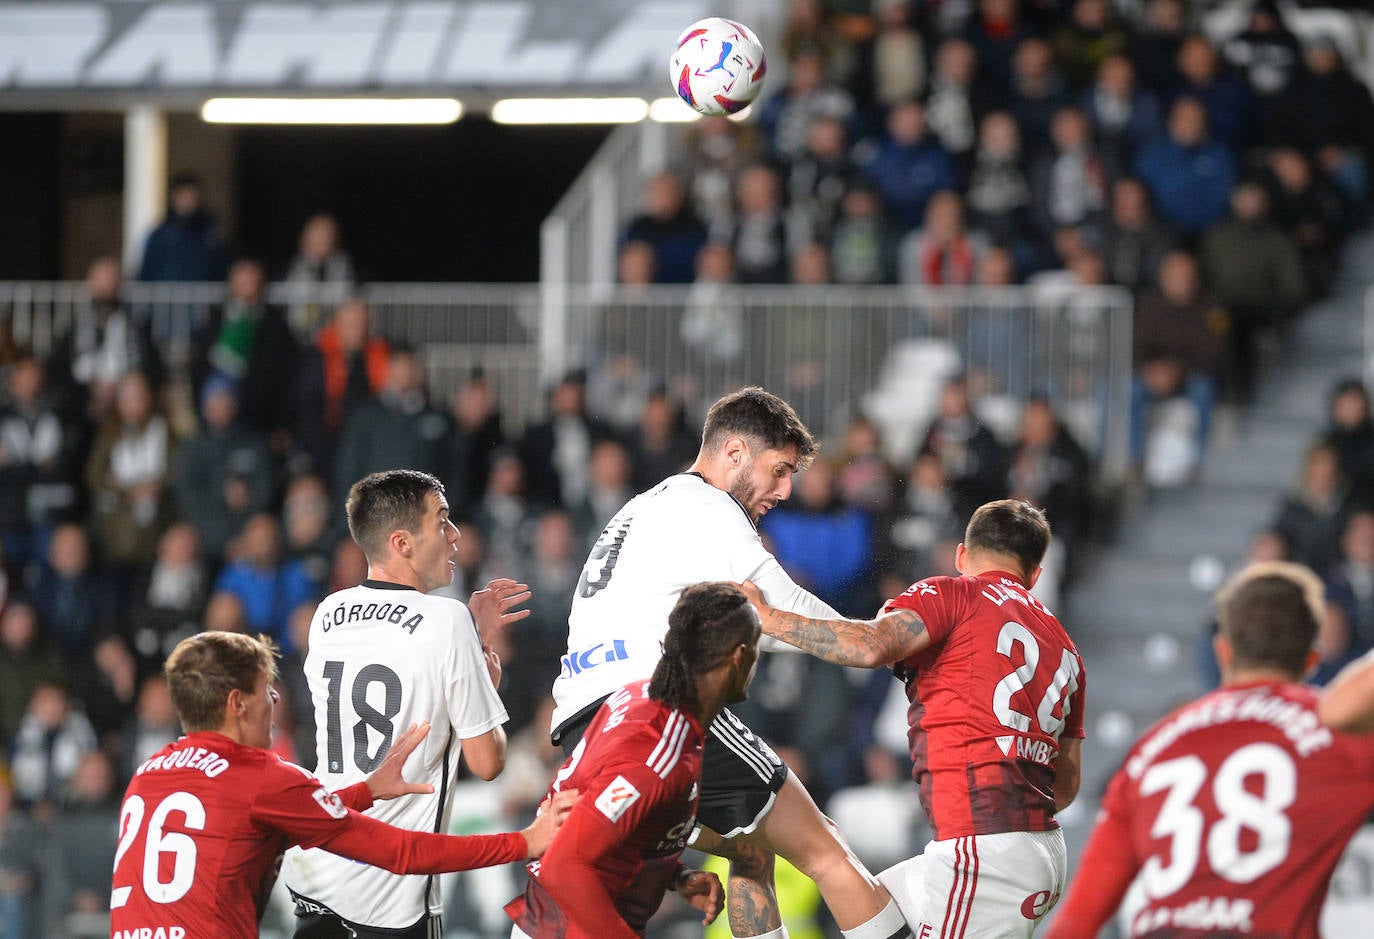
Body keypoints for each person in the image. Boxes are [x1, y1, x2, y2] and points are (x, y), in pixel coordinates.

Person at [551, 387, 910, 939]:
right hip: (652, 712)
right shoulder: (708, 508)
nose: (786, 490)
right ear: (735, 453)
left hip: (584, 727)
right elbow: (777, 614)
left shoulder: (646, 506)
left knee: (748, 851)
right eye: (780, 470)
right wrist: (881, 642)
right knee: (827, 849)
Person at [741, 499, 1084, 938]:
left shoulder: (954, 594)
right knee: (868, 906)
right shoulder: (1067, 649)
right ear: (1035, 575)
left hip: (981, 848)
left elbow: (867, 647)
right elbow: (1066, 786)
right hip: (1035, 848)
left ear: (962, 555)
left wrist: (767, 618)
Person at [111, 630, 573, 939]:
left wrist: (366, 792)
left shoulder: (148, 774)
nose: (274, 699)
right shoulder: (261, 778)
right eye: (263, 689)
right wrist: (525, 841)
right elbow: (403, 853)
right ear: (237, 704)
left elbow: (266, 819)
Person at [1048, 562, 1374, 938]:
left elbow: (1077, 922)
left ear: (1222, 651)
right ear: (1311, 658)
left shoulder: (1153, 749)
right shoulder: (1337, 736)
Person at [283, 469, 535, 937]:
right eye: (441, 521)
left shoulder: (326, 615)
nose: (455, 535)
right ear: (401, 542)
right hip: (389, 898)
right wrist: (478, 659)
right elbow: (487, 762)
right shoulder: (448, 620)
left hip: (317, 879)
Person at [508, 581, 760, 938]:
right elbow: (564, 866)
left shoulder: (640, 698)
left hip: (555, 920)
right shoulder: (656, 756)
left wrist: (676, 877)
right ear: (739, 655)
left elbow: (611, 829)